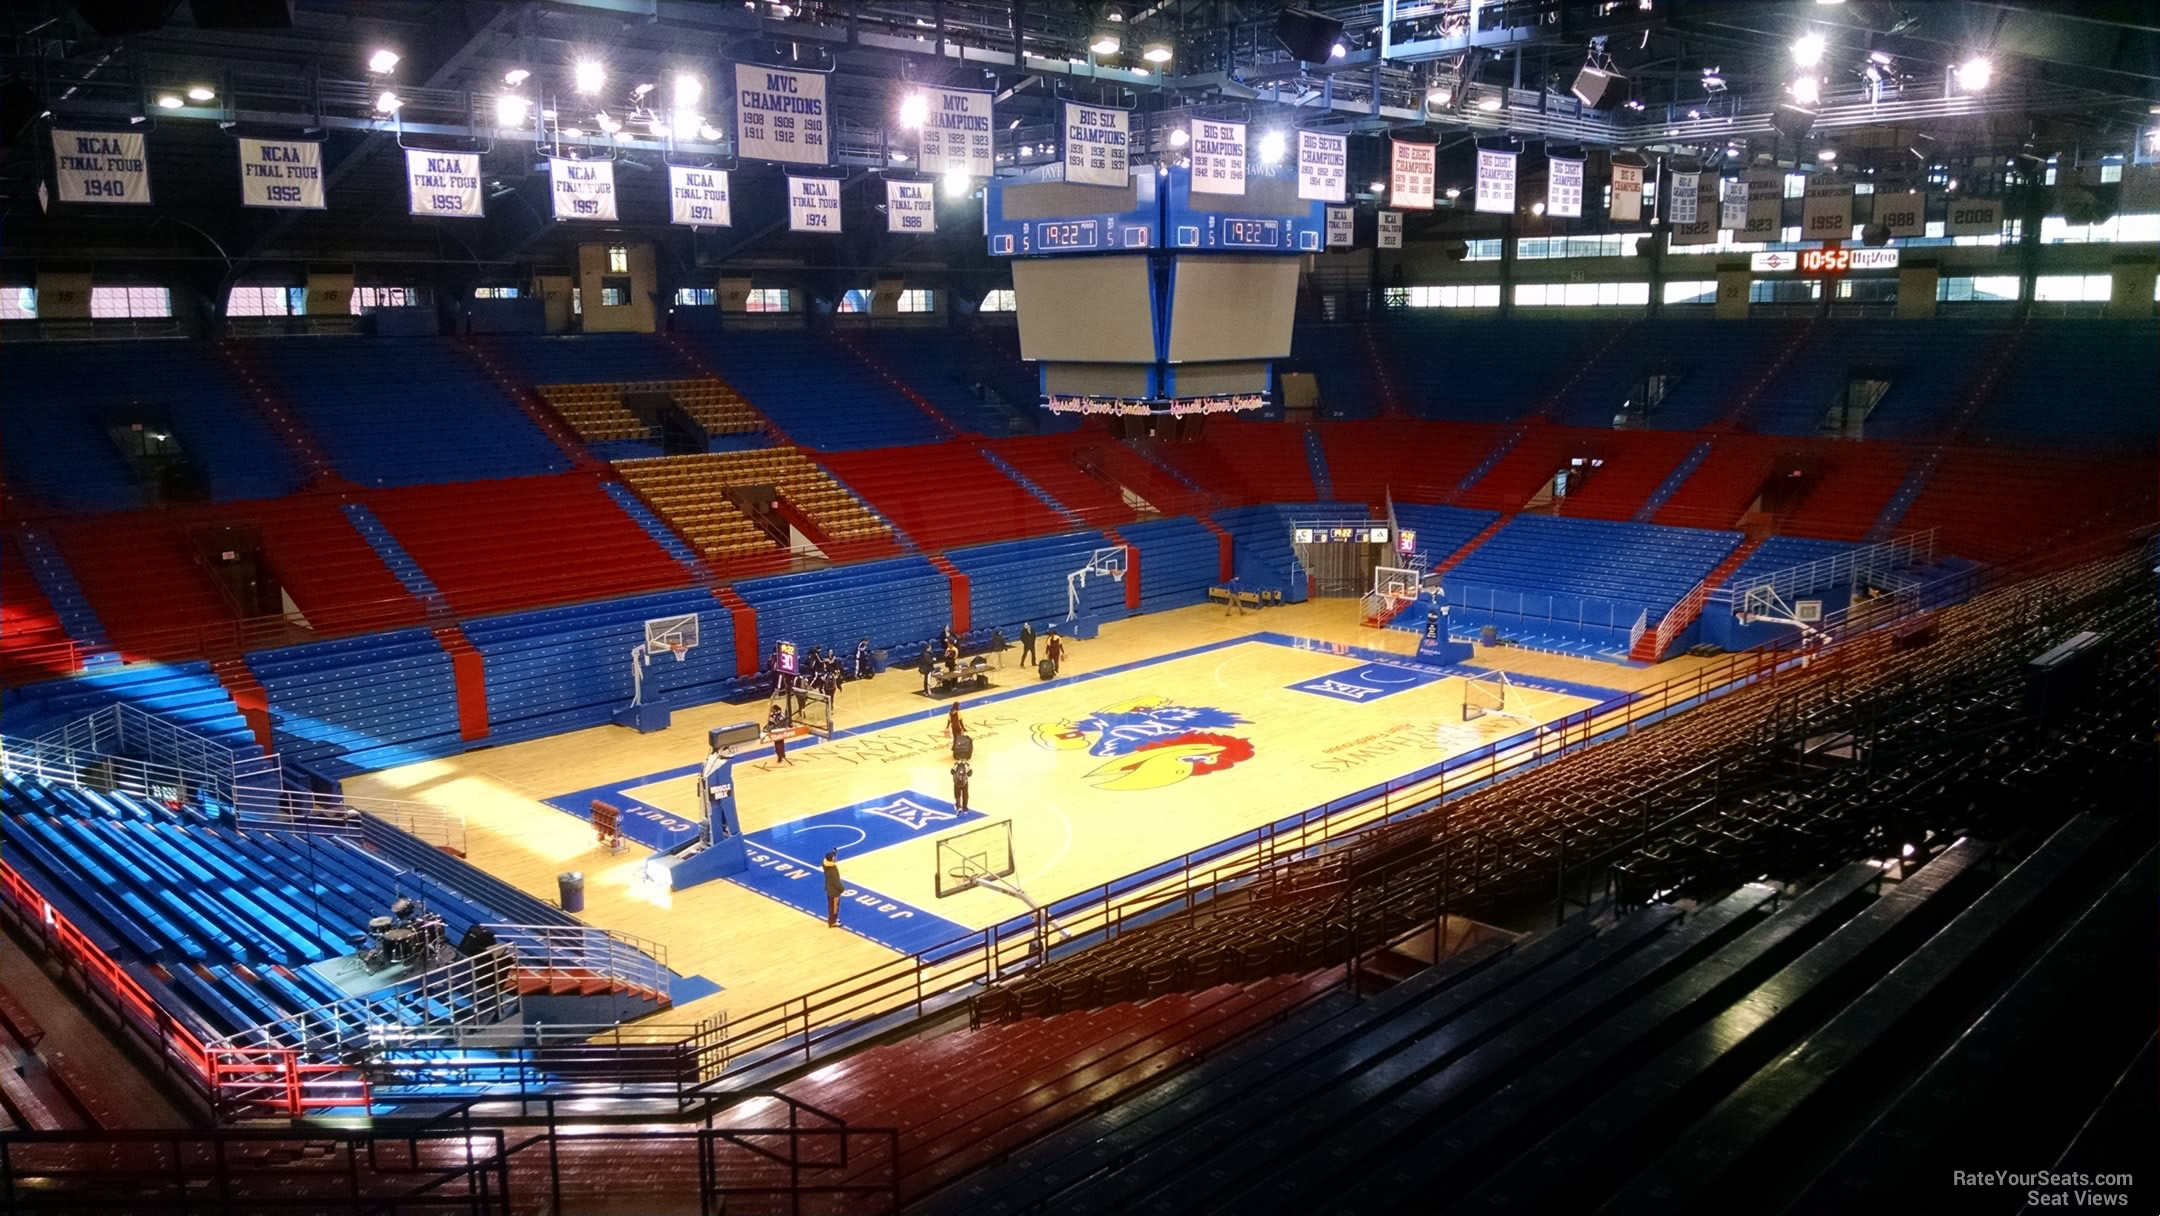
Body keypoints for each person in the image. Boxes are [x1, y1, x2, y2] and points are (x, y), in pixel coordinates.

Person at [822, 850, 843, 927]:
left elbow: (827, 858)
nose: (835, 858)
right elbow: (836, 882)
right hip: (834, 891)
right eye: (834, 858)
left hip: (829, 889)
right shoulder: (832, 870)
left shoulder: (825, 864)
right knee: (834, 907)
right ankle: (832, 922)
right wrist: (842, 889)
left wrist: (833, 852)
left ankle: (832, 919)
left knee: (831, 906)